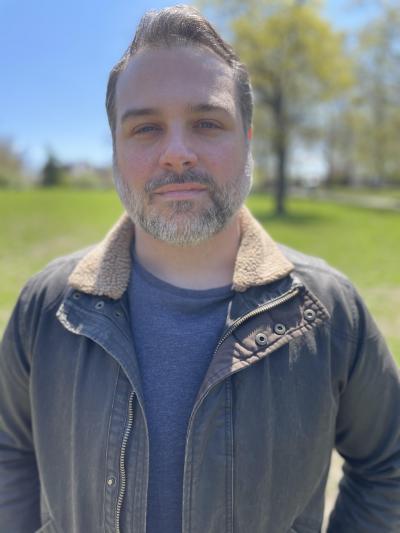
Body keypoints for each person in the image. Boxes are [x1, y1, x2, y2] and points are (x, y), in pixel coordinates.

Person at [1, 5, 399, 533]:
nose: (177, 153)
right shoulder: (45, 309)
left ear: (248, 140)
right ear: (116, 150)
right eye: (146, 128)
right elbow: (10, 449)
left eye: (207, 123)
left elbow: (387, 465)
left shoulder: (329, 313)